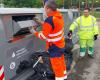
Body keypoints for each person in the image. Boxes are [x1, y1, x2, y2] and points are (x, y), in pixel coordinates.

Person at [29, 1, 67, 80]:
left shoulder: (49, 20)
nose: (44, 10)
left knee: (57, 67)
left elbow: (43, 36)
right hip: (61, 45)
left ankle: (60, 78)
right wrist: (41, 22)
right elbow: (52, 27)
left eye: (45, 8)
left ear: (48, 9)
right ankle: (64, 77)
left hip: (54, 47)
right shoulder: (58, 17)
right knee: (61, 64)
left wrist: (34, 32)